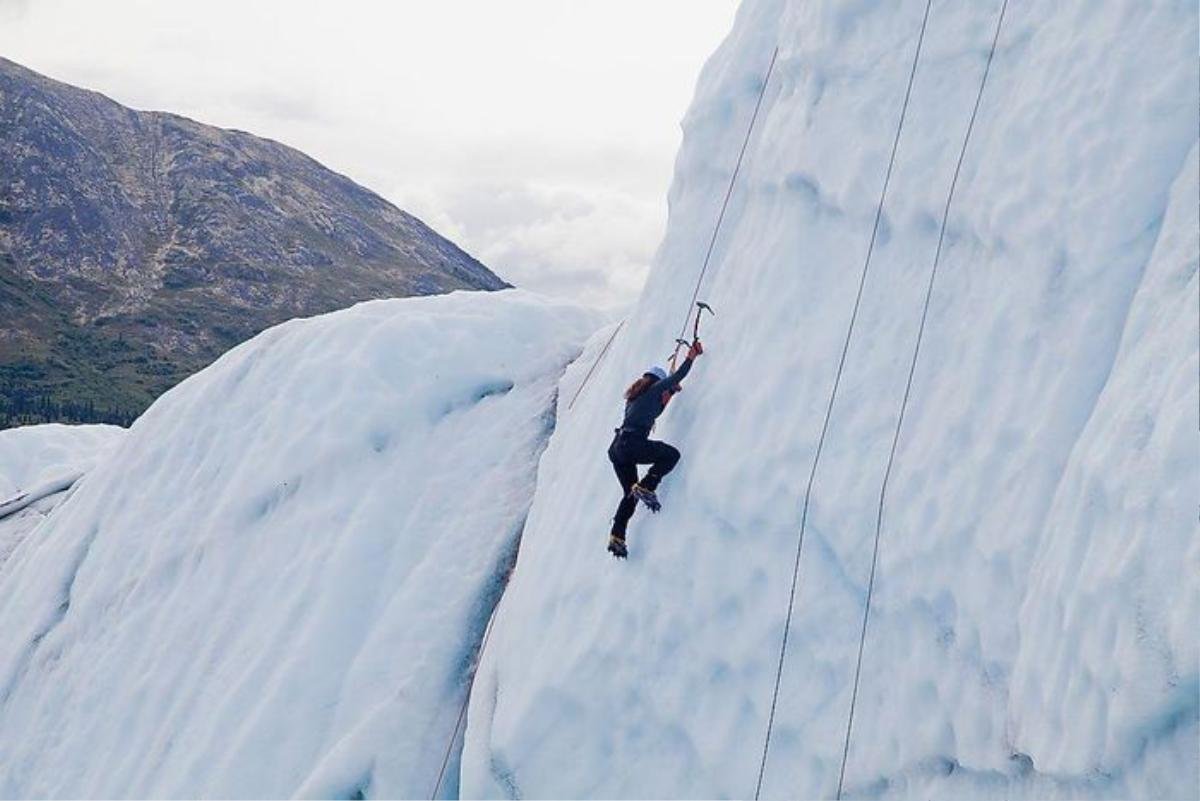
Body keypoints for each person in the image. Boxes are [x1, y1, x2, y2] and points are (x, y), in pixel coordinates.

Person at [606, 339, 704, 558]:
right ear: (657, 382)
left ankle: (617, 535)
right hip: (633, 445)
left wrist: (669, 393)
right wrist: (691, 356)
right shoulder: (653, 390)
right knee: (671, 455)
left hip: (617, 449)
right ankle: (648, 485)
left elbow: (655, 408)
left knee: (629, 493)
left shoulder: (633, 399)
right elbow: (677, 377)